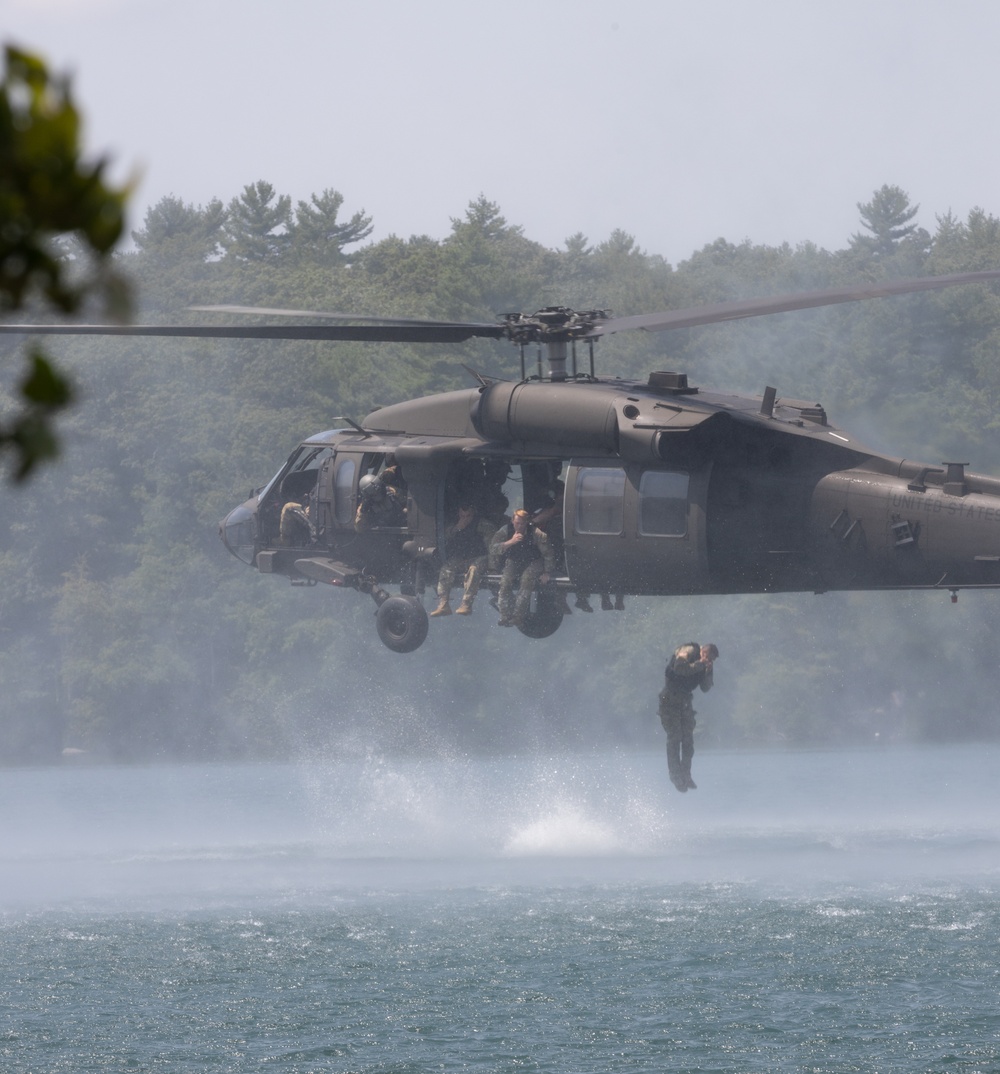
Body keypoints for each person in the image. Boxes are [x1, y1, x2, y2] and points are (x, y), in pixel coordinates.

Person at [658, 641, 719, 792]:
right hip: (670, 699)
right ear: (703, 651)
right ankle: (675, 775)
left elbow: (705, 688)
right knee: (674, 737)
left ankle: (685, 774)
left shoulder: (705, 664)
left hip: (685, 701)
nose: (709, 660)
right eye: (708, 657)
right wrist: (700, 664)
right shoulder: (688, 651)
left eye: (712, 660)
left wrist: (708, 671)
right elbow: (679, 667)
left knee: (688, 740)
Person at [489, 508, 556, 627]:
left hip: (534, 561)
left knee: (526, 581)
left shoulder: (536, 533)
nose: (519, 526)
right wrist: (510, 542)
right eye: (516, 523)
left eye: (522, 523)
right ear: (512, 521)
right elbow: (493, 549)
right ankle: (505, 615)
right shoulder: (505, 531)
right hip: (514, 560)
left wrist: (547, 572)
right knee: (505, 582)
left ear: (526, 522)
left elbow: (548, 553)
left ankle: (518, 616)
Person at [431, 503, 495, 617]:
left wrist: (493, 566)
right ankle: (443, 603)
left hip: (481, 557)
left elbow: (492, 546)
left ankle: (466, 603)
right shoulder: (455, 525)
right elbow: (443, 537)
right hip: (462, 557)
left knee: (473, 570)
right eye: (462, 515)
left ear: (473, 514)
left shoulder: (483, 525)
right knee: (447, 568)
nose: (465, 519)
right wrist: (457, 528)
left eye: (468, 516)